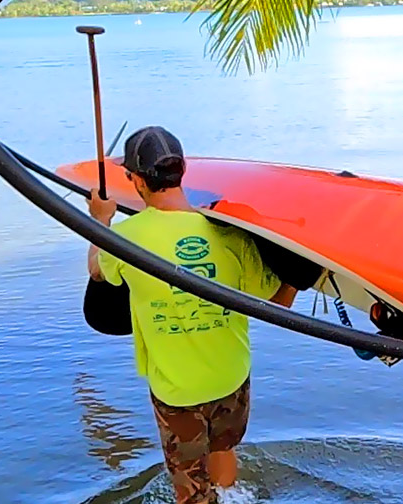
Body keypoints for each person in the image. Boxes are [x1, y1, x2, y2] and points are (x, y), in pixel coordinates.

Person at [85, 126, 298, 504]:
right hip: (232, 375)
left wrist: (101, 219)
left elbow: (98, 271)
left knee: (189, 486)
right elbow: (278, 300)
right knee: (222, 450)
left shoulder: (125, 239)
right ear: (182, 171)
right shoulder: (231, 233)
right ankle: (234, 497)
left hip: (178, 387)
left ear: (135, 180)